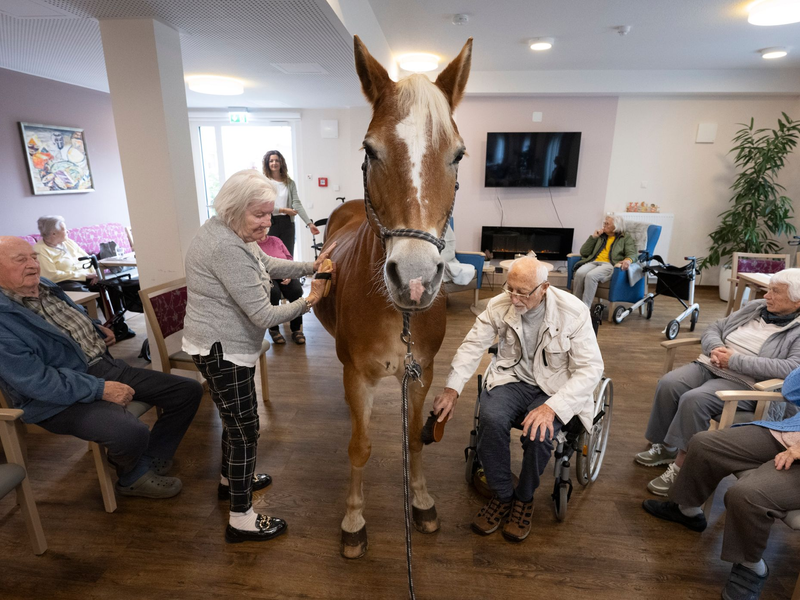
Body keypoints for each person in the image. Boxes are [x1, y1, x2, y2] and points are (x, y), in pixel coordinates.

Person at [183, 169, 335, 543]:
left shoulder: (228, 229)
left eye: (270, 214)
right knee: (245, 430)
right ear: (235, 209)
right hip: (224, 351)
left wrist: (309, 266)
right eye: (260, 215)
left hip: (223, 346)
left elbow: (266, 265)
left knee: (234, 422)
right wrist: (311, 298)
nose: (268, 222)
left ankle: (228, 480)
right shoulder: (225, 247)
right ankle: (241, 518)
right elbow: (265, 316)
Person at [0, 236, 202, 499]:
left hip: (106, 367)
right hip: (56, 399)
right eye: (21, 259)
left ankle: (149, 457)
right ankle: (132, 477)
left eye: (34, 257)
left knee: (187, 391)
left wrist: (94, 329)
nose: (32, 264)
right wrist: (99, 389)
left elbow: (65, 323)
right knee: (129, 431)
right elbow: (37, 381)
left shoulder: (47, 286)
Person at [433, 256, 603, 542]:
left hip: (554, 388)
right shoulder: (500, 304)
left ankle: (524, 499)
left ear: (544, 288)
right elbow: (472, 345)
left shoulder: (573, 311)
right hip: (512, 378)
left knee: (540, 433)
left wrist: (552, 407)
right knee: (489, 417)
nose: (514, 298)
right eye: (510, 288)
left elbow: (591, 369)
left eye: (522, 292)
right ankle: (502, 494)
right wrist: (452, 389)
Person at [637, 268, 800, 497]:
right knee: (669, 383)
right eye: (768, 289)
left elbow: (792, 369)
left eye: (775, 291)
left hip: (747, 383)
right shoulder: (756, 308)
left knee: (694, 400)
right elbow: (715, 327)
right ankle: (665, 447)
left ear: (797, 300)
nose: (766, 295)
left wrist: (735, 361)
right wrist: (715, 348)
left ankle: (682, 469)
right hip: (712, 364)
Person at [642, 366, 800, 600]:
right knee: (704, 444)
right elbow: (791, 391)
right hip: (789, 435)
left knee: (746, 494)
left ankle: (751, 567)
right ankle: (687, 510)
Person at [33, 215, 138, 340]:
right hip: (62, 282)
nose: (68, 231)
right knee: (86, 294)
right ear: (53, 233)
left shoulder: (68, 242)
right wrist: (83, 276)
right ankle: (93, 332)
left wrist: (94, 274)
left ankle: (119, 327)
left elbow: (88, 259)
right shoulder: (40, 250)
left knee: (111, 287)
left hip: (85, 277)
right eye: (64, 229)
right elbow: (51, 275)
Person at [262, 150, 319, 256]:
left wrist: (309, 224)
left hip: (287, 223)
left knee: (288, 255)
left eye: (277, 160)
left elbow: (297, 204)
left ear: (281, 163)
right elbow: (264, 205)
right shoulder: (264, 182)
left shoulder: (290, 183)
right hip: (270, 223)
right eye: (271, 161)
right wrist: (283, 210)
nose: (274, 163)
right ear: (267, 164)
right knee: (271, 257)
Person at [572, 215, 638, 307]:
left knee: (591, 276)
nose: (604, 225)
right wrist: (593, 237)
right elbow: (584, 252)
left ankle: (585, 308)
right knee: (579, 273)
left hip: (609, 264)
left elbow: (632, 254)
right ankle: (575, 305)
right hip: (594, 261)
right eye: (604, 223)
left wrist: (628, 260)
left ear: (616, 226)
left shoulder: (625, 238)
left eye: (607, 224)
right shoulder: (601, 236)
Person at [257, 234, 306, 344]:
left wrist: (289, 274)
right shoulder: (252, 245)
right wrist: (267, 276)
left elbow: (289, 258)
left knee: (296, 290)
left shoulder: (276, 240)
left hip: (284, 273)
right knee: (273, 292)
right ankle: (274, 329)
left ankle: (296, 329)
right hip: (267, 276)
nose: (261, 232)